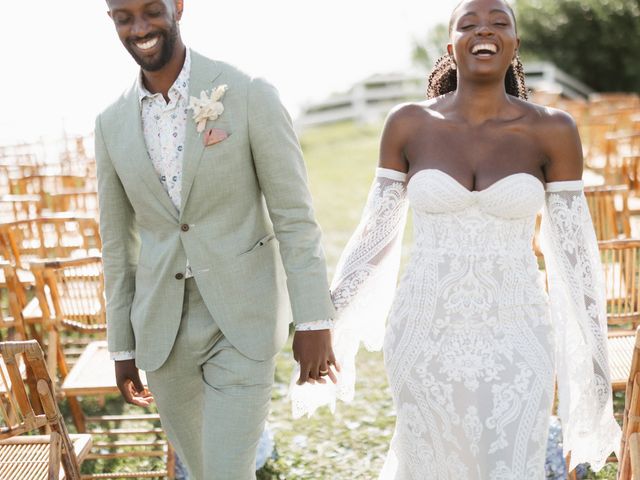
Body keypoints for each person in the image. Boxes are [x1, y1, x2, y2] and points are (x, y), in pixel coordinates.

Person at [291, 0, 621, 478]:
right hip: (424, 330)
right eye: (468, 23)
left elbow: (574, 254)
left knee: (507, 464)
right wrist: (325, 320)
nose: (483, 30)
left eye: (498, 22)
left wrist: (592, 360)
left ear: (514, 45)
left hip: (517, 330)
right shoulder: (409, 123)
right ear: (451, 46)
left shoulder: (553, 130)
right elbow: (374, 236)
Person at [95, 1, 338, 478]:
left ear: (178, 6)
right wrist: (122, 348)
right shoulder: (110, 124)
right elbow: (117, 246)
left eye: (151, 10)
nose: (140, 27)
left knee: (227, 472)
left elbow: (293, 216)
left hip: (242, 319)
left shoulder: (247, 93)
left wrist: (313, 318)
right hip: (163, 333)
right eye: (125, 17)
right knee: (205, 471)